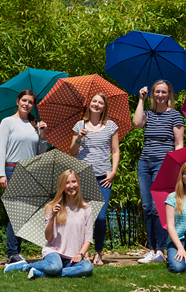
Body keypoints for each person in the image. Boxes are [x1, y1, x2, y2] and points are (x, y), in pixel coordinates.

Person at [4, 169, 94, 279]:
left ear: (78, 183)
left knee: (88, 267)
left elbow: (88, 238)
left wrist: (80, 254)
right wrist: (52, 217)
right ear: (62, 186)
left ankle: (43, 273)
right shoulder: (52, 207)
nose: (71, 186)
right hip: (54, 252)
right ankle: (24, 266)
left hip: (73, 256)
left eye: (73, 181)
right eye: (67, 183)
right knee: (55, 267)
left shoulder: (86, 209)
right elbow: (48, 237)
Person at [133, 80, 184, 264]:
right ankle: (152, 249)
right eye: (157, 92)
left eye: (164, 92)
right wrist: (141, 99)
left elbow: (179, 144)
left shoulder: (175, 116)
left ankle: (161, 250)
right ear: (153, 94)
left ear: (169, 94)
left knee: (158, 207)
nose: (160, 95)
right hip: (144, 163)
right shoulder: (148, 114)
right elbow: (137, 123)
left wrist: (176, 167)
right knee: (147, 207)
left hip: (163, 163)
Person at [0, 89, 48, 270]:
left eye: (30, 102)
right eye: (24, 100)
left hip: (31, 171)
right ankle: (12, 253)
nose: (27, 104)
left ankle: (15, 253)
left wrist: (42, 134)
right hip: (12, 170)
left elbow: (41, 152)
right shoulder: (7, 122)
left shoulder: (35, 124)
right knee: (17, 213)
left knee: (24, 214)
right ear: (18, 101)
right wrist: (0, 173)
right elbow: (1, 149)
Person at [70, 93, 120, 266]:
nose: (97, 104)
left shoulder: (111, 126)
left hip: (103, 178)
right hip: (83, 177)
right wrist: (79, 138)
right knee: (82, 217)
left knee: (100, 217)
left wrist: (113, 171)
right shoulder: (79, 125)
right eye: (94, 101)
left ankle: (98, 253)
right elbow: (72, 151)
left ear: (104, 106)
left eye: (100, 102)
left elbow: (115, 151)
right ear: (89, 104)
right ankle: (82, 253)